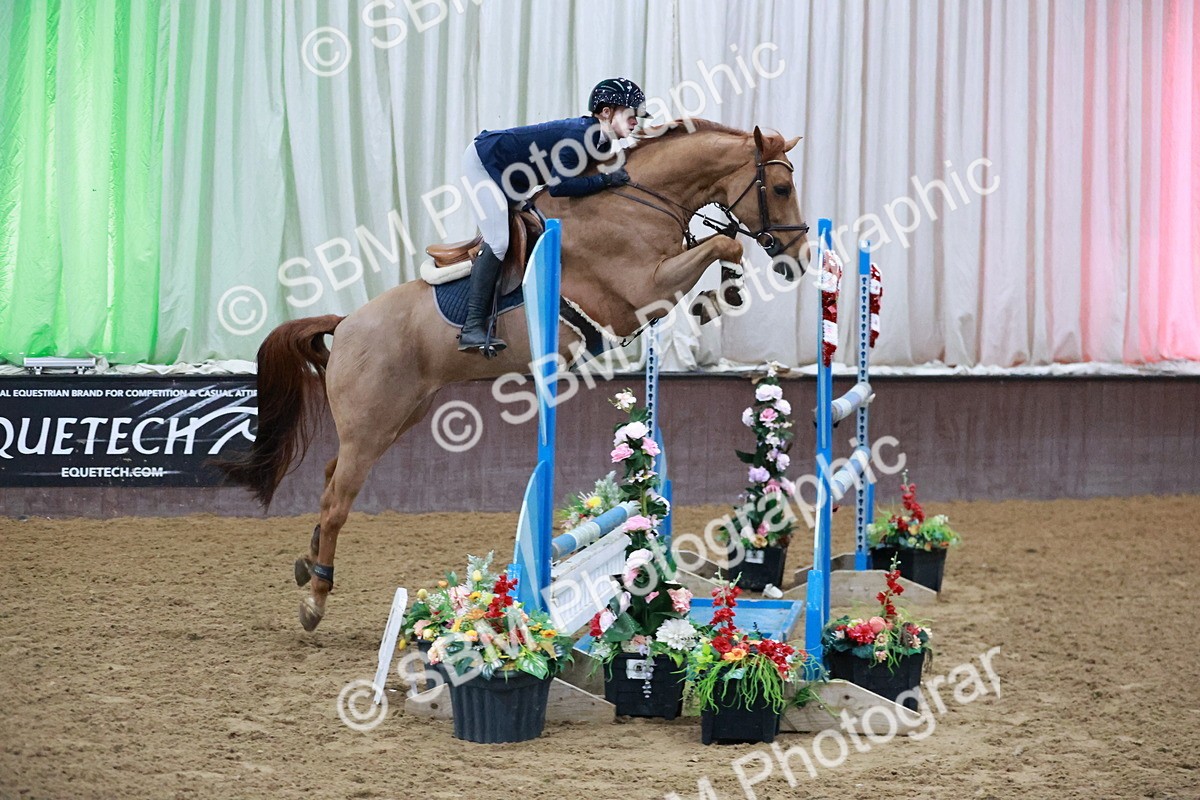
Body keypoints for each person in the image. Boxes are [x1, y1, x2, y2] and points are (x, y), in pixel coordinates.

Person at [456, 77, 649, 354]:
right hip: (484, 162)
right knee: (498, 241)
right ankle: (471, 326)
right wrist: (606, 181)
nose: (634, 122)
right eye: (630, 114)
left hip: (512, 178)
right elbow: (559, 187)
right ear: (606, 112)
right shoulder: (581, 135)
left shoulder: (601, 143)